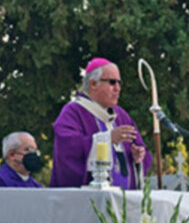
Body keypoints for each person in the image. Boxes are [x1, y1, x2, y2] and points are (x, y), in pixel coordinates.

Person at [50, 58, 153, 189]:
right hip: (90, 202)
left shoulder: (121, 116)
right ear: (93, 84)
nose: (118, 88)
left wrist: (138, 157)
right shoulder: (73, 112)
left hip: (125, 201)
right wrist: (107, 139)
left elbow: (141, 150)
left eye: (119, 83)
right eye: (112, 82)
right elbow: (67, 152)